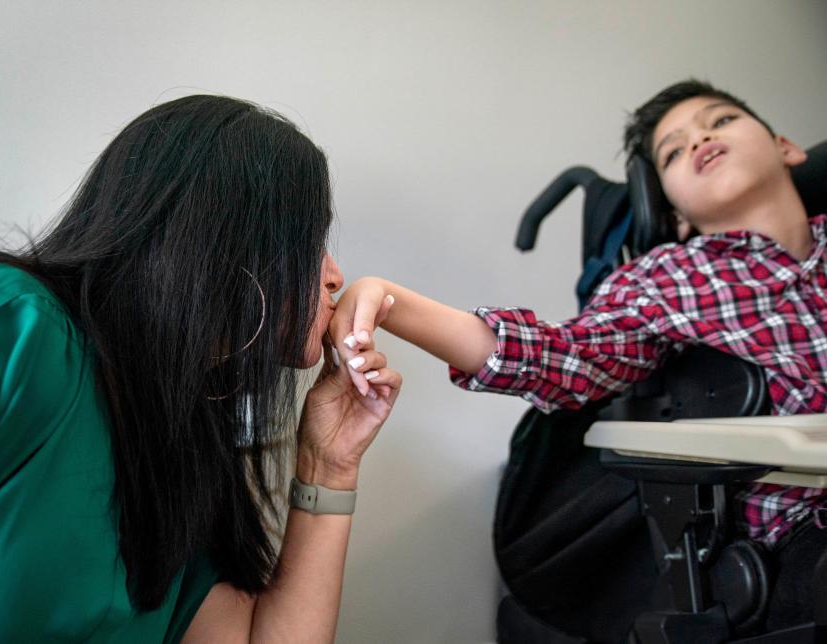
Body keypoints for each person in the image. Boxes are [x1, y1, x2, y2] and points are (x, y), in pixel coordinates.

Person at [0, 95, 400, 642]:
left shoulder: (183, 446)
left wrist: (329, 466)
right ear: (224, 241)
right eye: (312, 242)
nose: (335, 277)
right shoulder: (4, 329)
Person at [331, 79, 825, 630]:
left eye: (720, 120)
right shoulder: (667, 278)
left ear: (786, 148)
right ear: (675, 215)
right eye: (673, 150)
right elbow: (567, 357)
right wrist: (391, 303)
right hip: (803, 531)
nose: (699, 139)